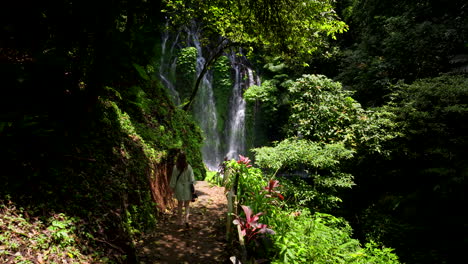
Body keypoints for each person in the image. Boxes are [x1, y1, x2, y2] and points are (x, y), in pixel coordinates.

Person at [169, 152, 195, 226]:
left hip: (179, 187)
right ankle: (186, 220)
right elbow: (192, 179)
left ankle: (179, 221)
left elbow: (173, 179)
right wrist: (193, 188)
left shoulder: (175, 167)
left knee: (179, 205)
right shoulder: (189, 167)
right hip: (187, 187)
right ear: (185, 158)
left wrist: (172, 187)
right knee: (187, 205)